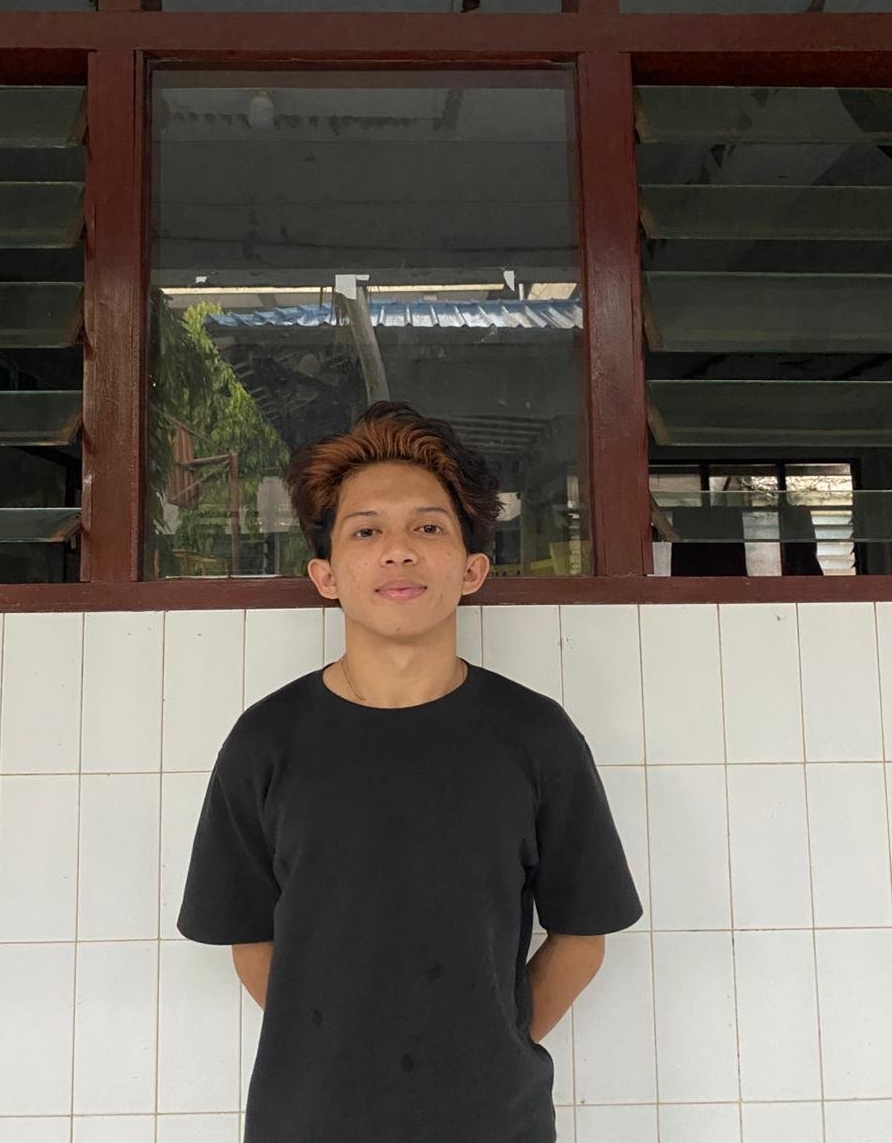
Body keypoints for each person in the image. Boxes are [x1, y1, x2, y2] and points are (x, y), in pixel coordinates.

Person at [177, 400, 643, 1143]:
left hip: (494, 1124)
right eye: (366, 531)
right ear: (326, 575)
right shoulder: (266, 742)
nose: (398, 551)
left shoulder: (536, 737)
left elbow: (583, 936)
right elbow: (249, 938)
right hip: (306, 1122)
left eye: (428, 528)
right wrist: (339, 1049)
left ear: (472, 568)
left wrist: (492, 1044)